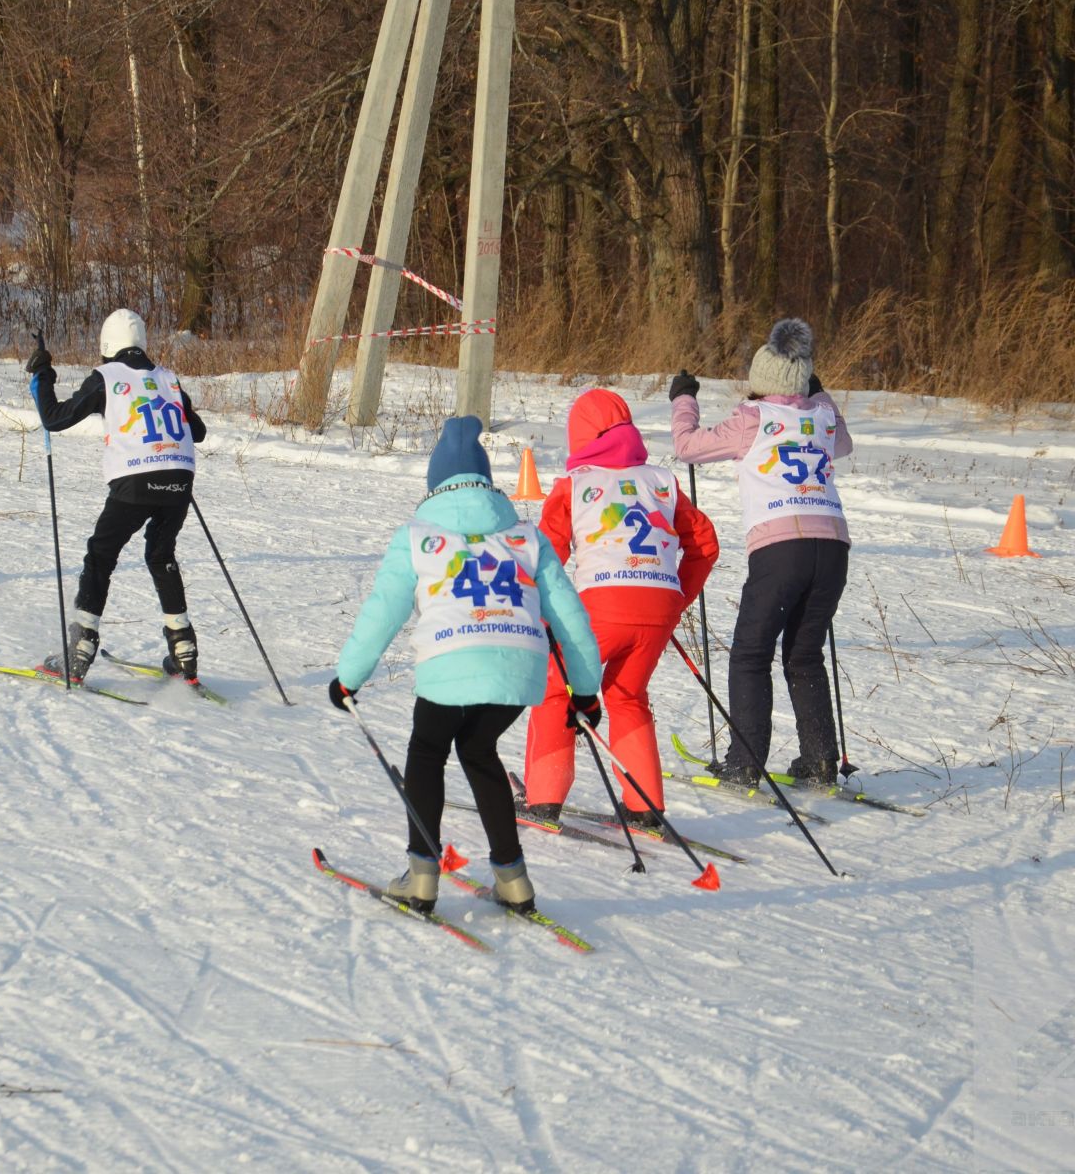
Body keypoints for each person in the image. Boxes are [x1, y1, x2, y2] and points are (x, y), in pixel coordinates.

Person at [329, 416, 603, 915]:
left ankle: (421, 876)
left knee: (428, 751)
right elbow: (571, 617)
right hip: (516, 674)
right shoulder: (525, 536)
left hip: (448, 666)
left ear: (435, 484)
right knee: (478, 752)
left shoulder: (416, 536)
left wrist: (349, 678)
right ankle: (514, 881)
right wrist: (586, 691)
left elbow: (382, 614)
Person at [522, 389, 719, 826]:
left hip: (602, 604)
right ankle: (643, 806)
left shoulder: (575, 485)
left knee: (557, 689)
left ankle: (543, 798)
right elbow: (705, 544)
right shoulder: (661, 481)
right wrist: (676, 598)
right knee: (628, 695)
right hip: (659, 605)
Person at [670, 317, 852, 785]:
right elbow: (843, 444)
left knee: (751, 653)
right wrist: (820, 393)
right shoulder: (824, 417)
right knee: (804, 653)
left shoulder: (753, 419)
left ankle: (745, 762)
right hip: (832, 547)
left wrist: (683, 399)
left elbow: (688, 447)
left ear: (761, 381)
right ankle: (820, 759)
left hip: (780, 549)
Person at [27, 308, 207, 683]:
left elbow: (55, 418)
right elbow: (199, 431)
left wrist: (43, 375)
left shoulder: (105, 377)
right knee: (161, 555)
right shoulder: (168, 378)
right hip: (179, 480)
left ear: (107, 345)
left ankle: (80, 647)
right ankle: (183, 649)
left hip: (135, 481)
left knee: (101, 555)